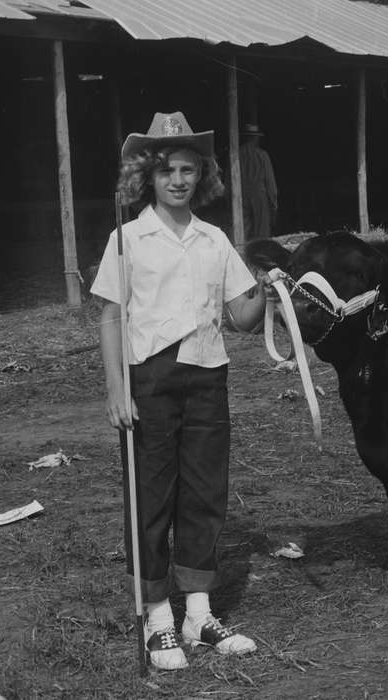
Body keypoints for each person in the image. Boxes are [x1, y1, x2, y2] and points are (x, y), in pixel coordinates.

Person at [91, 111, 269, 671]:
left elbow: (242, 317)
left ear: (202, 176)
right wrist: (116, 390)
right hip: (150, 380)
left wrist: (268, 286)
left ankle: (197, 613)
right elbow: (111, 317)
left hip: (207, 376)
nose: (178, 180)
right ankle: (157, 617)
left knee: (204, 492)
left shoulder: (214, 239)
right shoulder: (128, 239)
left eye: (188, 170)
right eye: (167, 170)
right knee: (152, 497)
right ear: (148, 175)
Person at [238, 123, 278, 240]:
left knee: (242, 231)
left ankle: (241, 249)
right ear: (255, 138)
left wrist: (229, 200)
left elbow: (228, 182)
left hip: (240, 196)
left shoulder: (235, 154)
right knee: (261, 232)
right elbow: (270, 183)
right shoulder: (262, 155)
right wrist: (274, 203)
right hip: (259, 197)